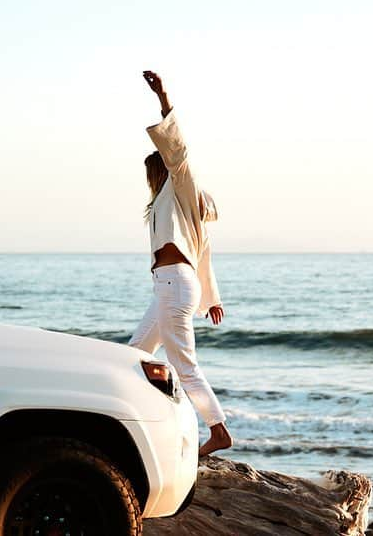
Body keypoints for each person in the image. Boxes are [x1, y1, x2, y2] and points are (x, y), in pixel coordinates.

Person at [128, 70, 233, 457]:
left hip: (173, 286)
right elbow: (202, 256)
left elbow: (178, 150)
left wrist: (164, 97)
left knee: (185, 366)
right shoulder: (167, 206)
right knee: (135, 353)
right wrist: (212, 298)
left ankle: (218, 431)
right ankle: (148, 425)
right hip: (169, 286)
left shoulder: (179, 183)